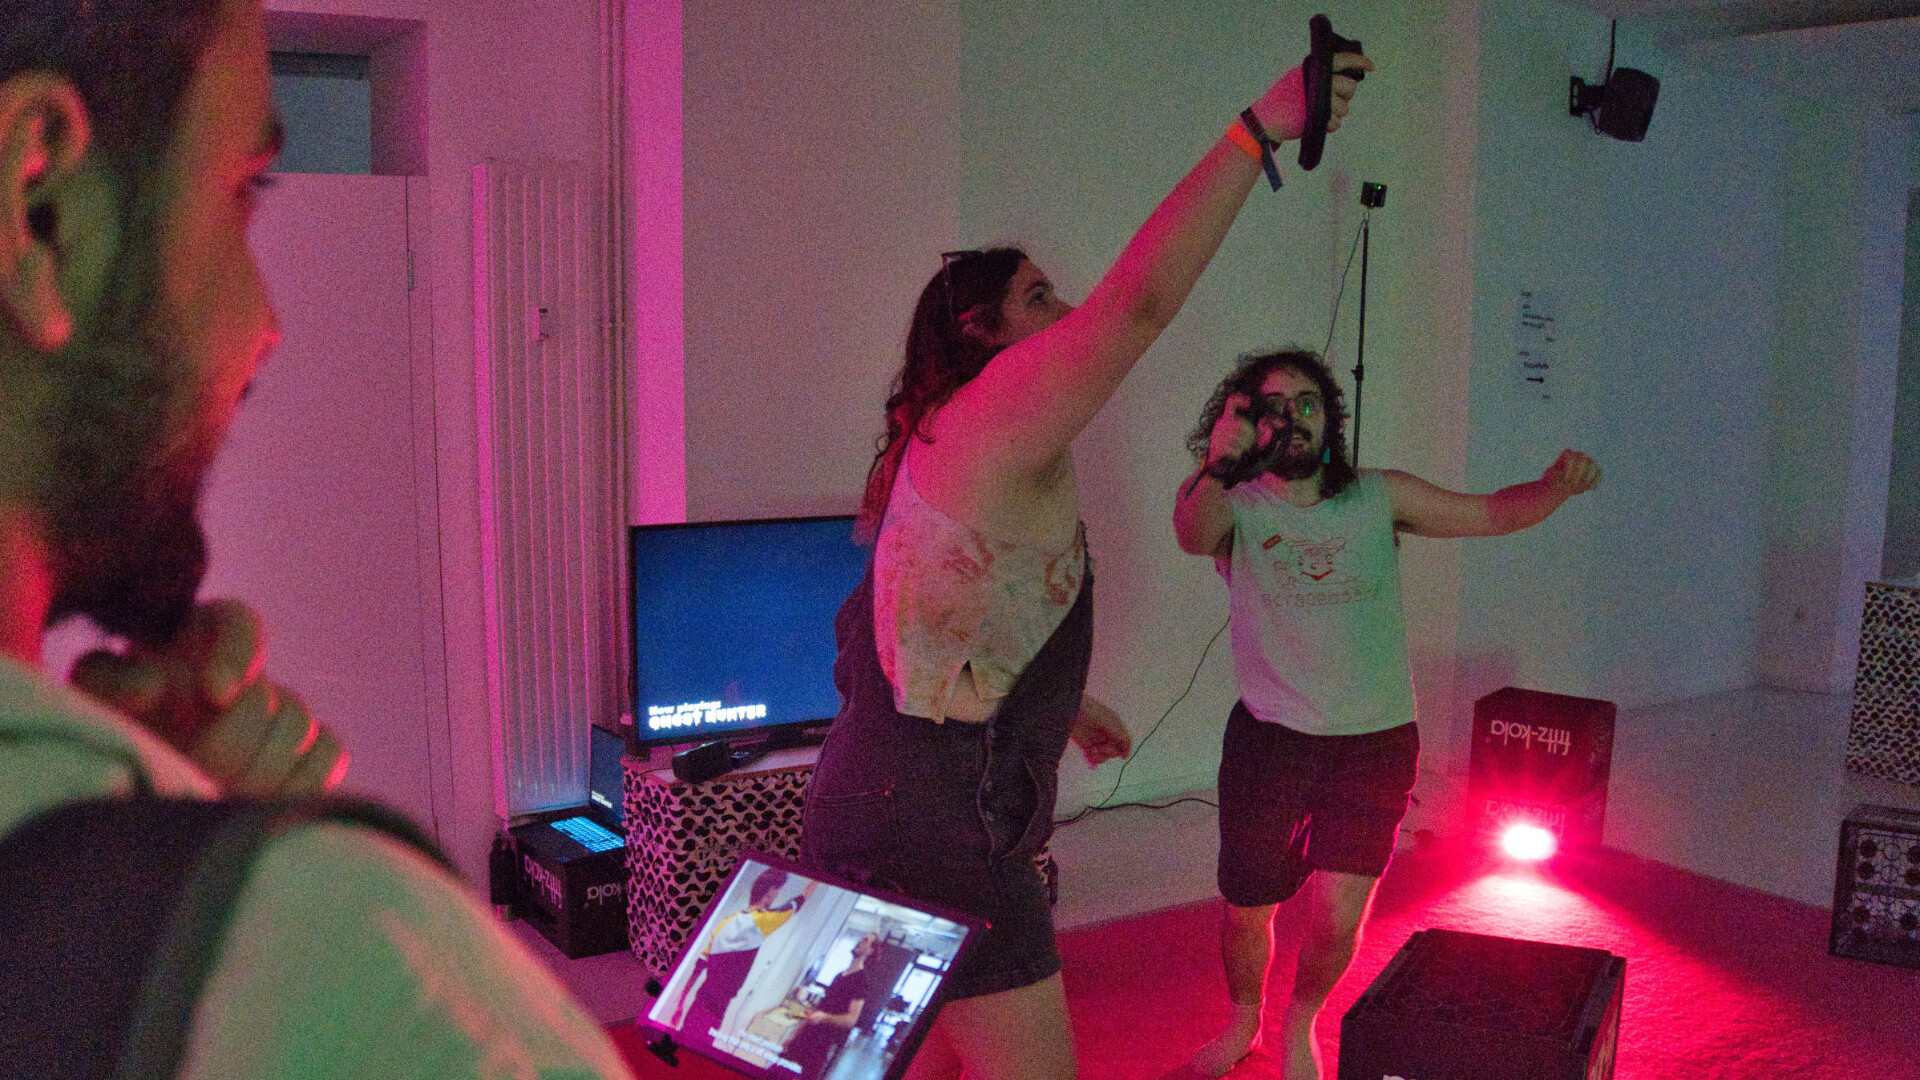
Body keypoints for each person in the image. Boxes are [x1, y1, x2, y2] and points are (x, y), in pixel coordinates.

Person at [0, 1, 631, 1075]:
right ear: (41, 210)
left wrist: (144, 854)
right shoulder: (346, 974)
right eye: (244, 190)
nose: (268, 326)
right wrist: (209, 903)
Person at [799, 41, 1376, 1080]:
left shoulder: (940, 438)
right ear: (980, 331)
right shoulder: (994, 416)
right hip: (946, 832)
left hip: (870, 804)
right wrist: (1259, 129)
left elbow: (902, 638)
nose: (1067, 316)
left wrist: (1058, 707)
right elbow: (1137, 307)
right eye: (1039, 297)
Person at [1171, 349, 1602, 1080]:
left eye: (1307, 403)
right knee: (1248, 906)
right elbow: (1190, 534)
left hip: (1375, 743)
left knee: (1340, 914)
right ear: (1245, 422)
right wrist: (1221, 461)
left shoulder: (1377, 495)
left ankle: (1300, 1023)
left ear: (1329, 419)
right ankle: (1243, 1021)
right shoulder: (1233, 503)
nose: (1292, 417)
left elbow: (1490, 513)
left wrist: (1554, 488)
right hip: (1270, 740)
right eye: (1271, 407)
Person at [672, 869, 814, 1034]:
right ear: (770, 892)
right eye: (777, 890)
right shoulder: (761, 921)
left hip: (700, 1001)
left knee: (684, 1036)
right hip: (715, 1010)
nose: (776, 895)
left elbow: (698, 968)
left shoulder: (727, 921)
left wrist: (679, 1005)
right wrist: (816, 880)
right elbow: (798, 901)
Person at [782, 931, 882, 1078]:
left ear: (870, 951)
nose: (860, 941)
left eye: (865, 940)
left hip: (820, 1045)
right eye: (861, 938)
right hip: (805, 1036)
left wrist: (824, 1017)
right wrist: (795, 1034)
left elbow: (851, 1020)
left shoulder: (861, 981)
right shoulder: (839, 976)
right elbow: (820, 1009)